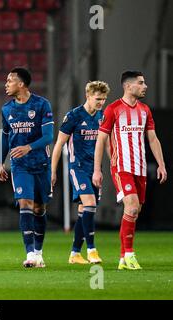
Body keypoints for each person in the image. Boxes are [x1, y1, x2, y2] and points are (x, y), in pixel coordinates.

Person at [93, 71, 167, 270]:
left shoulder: (145, 110)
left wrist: (161, 164)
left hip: (140, 168)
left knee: (134, 211)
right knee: (132, 207)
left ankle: (122, 258)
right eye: (141, 83)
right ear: (128, 86)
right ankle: (130, 254)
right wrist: (97, 170)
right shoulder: (113, 109)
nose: (145, 86)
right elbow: (101, 140)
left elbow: (152, 138)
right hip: (121, 167)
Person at [0, 67, 54, 268]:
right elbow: (5, 137)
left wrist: (29, 147)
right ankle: (30, 253)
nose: (6, 84)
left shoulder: (41, 104)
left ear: (21, 84)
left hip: (41, 164)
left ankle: (38, 252)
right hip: (20, 166)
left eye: (10, 80)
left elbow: (48, 137)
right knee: (25, 203)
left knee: (39, 208)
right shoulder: (6, 109)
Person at [51, 81, 110, 265]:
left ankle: (75, 254)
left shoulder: (102, 116)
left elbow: (107, 142)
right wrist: (52, 171)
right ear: (88, 96)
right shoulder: (74, 116)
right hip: (78, 168)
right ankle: (92, 250)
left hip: (95, 169)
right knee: (90, 204)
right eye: (98, 99)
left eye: (104, 99)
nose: (101, 103)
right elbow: (59, 144)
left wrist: (114, 162)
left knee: (85, 211)